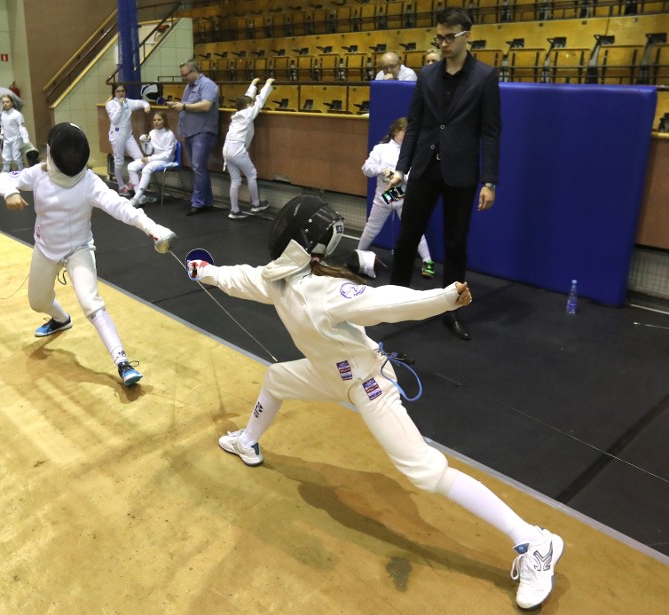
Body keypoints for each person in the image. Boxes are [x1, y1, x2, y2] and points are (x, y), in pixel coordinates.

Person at [186, 196, 564, 612]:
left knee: (425, 473)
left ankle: (534, 542)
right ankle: (248, 441)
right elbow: (240, 278)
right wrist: (205, 272)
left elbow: (386, 303)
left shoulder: (326, 290)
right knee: (277, 379)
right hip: (327, 375)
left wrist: (443, 299)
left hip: (367, 383)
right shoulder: (278, 278)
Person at [0, 122, 176, 387]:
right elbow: (3, 177)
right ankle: (60, 319)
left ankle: (122, 362)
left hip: (78, 249)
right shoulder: (38, 174)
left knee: (91, 303)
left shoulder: (90, 182)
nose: (70, 158)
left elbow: (122, 207)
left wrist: (153, 228)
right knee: (37, 302)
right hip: (45, 250)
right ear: (54, 153)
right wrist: (10, 191)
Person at [385, 7, 500, 341]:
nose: (444, 43)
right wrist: (402, 169)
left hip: (461, 173)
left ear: (467, 36)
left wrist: (490, 181)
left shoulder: (485, 77)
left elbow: (491, 133)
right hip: (423, 167)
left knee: (456, 243)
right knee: (407, 238)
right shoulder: (427, 75)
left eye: (451, 37)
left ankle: (451, 310)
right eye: (440, 37)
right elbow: (416, 124)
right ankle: (392, 302)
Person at [357, 117, 435, 278]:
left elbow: (418, 175)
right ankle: (358, 255)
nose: (408, 135)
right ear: (396, 131)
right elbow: (366, 168)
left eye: (410, 132)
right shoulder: (381, 149)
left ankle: (427, 261)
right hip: (382, 198)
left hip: (405, 197)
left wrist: (400, 177)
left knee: (415, 230)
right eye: (405, 131)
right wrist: (382, 170)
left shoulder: (415, 150)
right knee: (371, 228)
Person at [167, 60, 220, 216]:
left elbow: (205, 106)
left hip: (203, 132)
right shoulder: (188, 87)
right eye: (182, 76)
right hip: (190, 132)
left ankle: (197, 202)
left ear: (195, 71)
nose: (184, 78)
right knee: (198, 168)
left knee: (197, 167)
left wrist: (183, 106)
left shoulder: (208, 85)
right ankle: (207, 201)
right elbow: (188, 105)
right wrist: (178, 105)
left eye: (185, 75)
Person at [222, 77, 274, 220]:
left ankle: (234, 210)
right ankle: (256, 204)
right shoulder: (248, 113)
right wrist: (268, 84)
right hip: (237, 150)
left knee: (235, 180)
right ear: (248, 106)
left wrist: (252, 84)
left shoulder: (238, 113)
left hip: (227, 150)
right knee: (251, 174)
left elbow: (247, 99)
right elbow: (260, 100)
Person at [105, 83, 151, 196]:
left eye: (122, 91)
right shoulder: (110, 104)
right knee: (118, 161)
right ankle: (121, 187)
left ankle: (131, 183)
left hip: (128, 135)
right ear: (114, 93)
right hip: (117, 134)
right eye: (118, 91)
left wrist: (146, 106)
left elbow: (140, 102)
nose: (121, 93)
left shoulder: (128, 102)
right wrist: (120, 107)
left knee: (140, 159)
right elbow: (114, 120)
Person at [127, 111, 177, 207]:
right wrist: (144, 143)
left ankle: (135, 199)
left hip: (165, 160)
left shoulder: (169, 134)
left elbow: (167, 155)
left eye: (159, 120)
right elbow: (148, 152)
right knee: (131, 166)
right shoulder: (152, 133)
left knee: (147, 168)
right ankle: (141, 197)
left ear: (164, 121)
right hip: (154, 158)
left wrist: (149, 159)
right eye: (154, 120)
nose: (156, 122)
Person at [0, 94, 27, 172]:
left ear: (12, 103)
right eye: (3, 102)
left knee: (17, 158)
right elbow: (2, 126)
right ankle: (5, 173)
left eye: (7, 102)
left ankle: (21, 173)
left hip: (16, 138)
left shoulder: (17, 114)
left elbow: (22, 127)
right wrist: (1, 134)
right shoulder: (2, 115)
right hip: (6, 139)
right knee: (6, 158)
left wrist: (26, 140)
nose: (5, 104)